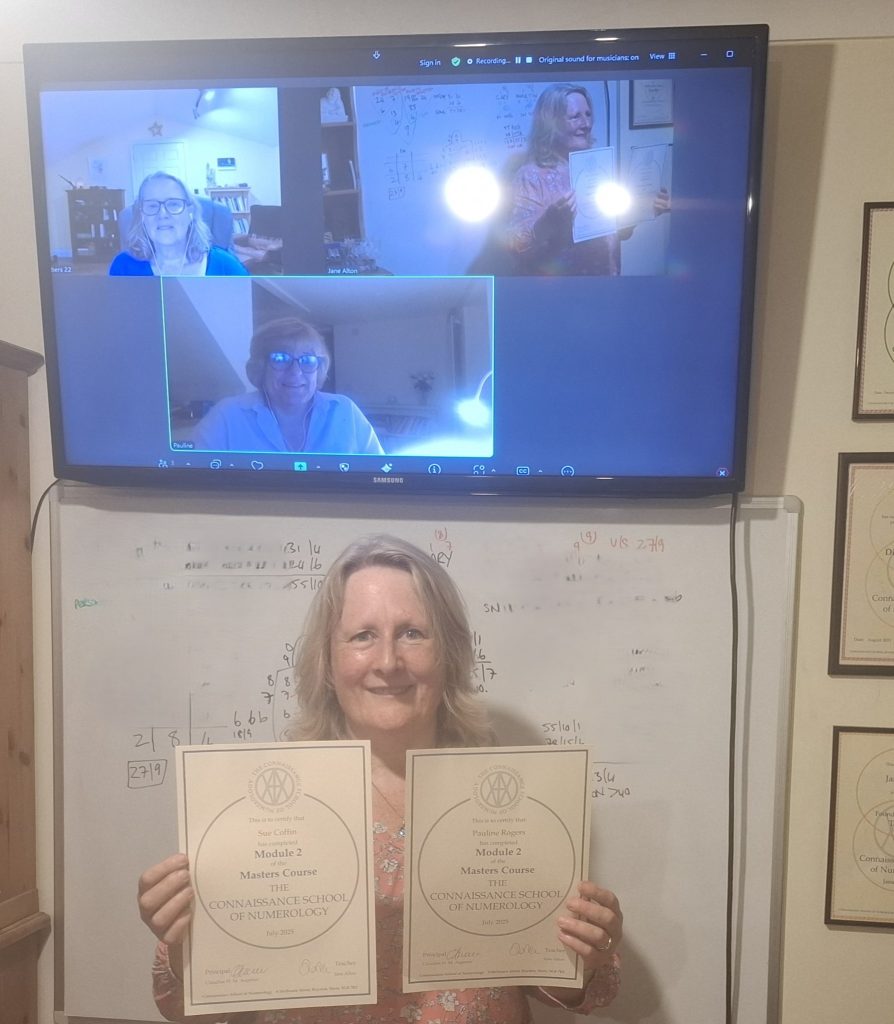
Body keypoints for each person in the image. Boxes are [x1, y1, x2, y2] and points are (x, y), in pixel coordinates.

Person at [138, 534, 623, 1023]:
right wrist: (184, 941)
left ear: (449, 654)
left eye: (412, 633)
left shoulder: (513, 803)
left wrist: (585, 954)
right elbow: (184, 1008)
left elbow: (566, 986)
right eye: (362, 636)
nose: (388, 662)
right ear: (328, 662)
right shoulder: (262, 811)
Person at [504, 84, 668, 276]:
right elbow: (515, 248)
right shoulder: (531, 176)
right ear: (551, 123)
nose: (586, 124)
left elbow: (616, 233)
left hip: (606, 282)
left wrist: (641, 211)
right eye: (575, 117)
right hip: (561, 289)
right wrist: (549, 222)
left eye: (588, 115)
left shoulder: (600, 169)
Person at [190, 317, 384, 455]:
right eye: (281, 358)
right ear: (261, 366)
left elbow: (378, 474)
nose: (295, 372)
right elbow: (195, 480)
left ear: (319, 369)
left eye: (308, 360)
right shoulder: (227, 414)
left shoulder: (344, 410)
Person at [109, 172, 248, 277]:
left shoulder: (225, 265)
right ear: (142, 216)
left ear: (190, 212)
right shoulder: (123, 267)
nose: (162, 214)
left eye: (173, 204)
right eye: (152, 206)